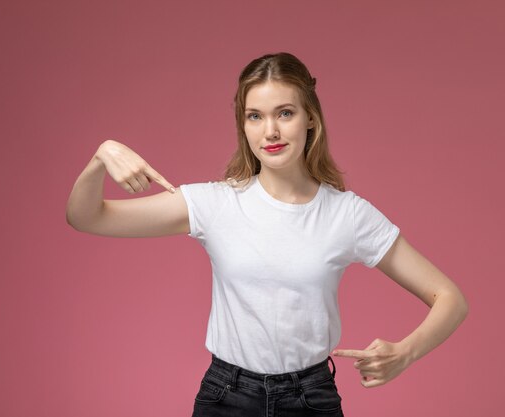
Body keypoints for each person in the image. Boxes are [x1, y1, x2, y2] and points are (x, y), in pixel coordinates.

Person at [66, 52, 469, 417]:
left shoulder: (347, 215)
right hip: (227, 397)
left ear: (311, 117)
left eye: (285, 113)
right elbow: (88, 217)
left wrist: (405, 353)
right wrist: (102, 155)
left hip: (311, 398)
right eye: (255, 116)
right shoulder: (216, 203)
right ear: (243, 125)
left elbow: (450, 298)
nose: (270, 131)